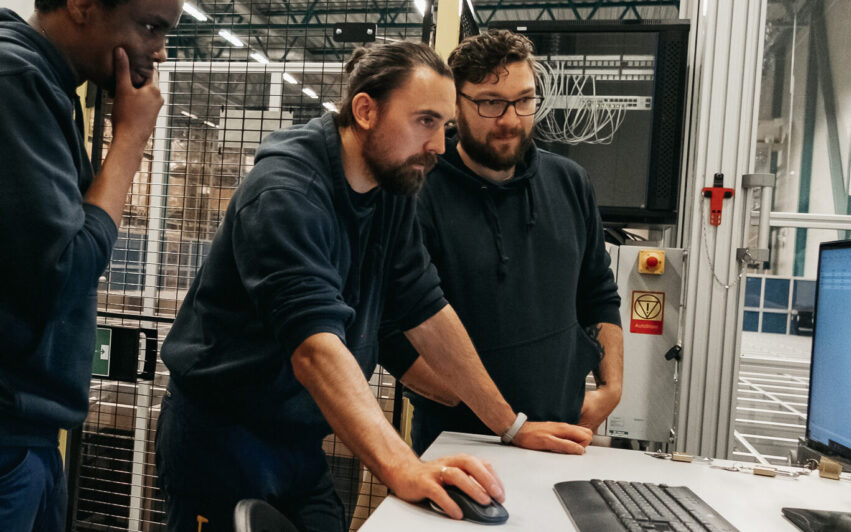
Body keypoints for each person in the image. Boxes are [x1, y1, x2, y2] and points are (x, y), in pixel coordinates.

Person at [155, 41, 593, 532]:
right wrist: (402, 465)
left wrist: (511, 425)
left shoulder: (393, 186)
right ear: (365, 110)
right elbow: (315, 350)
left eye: (443, 126)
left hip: (299, 440)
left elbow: (425, 309)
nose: (439, 147)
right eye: (425, 122)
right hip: (222, 440)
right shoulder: (287, 193)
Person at [380, 30, 623, 455]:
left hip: (562, 435)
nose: (511, 119)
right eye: (491, 102)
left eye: (524, 100)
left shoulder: (570, 182)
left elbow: (599, 292)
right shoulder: (416, 193)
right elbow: (390, 329)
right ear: (456, 105)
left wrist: (611, 390)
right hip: (457, 443)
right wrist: (467, 401)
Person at [0, 0, 180, 528]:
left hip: (27, 431)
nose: (160, 50)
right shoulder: (16, 80)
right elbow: (62, 270)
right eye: (150, 27)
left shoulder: (47, 82)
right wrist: (129, 140)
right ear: (80, 5)